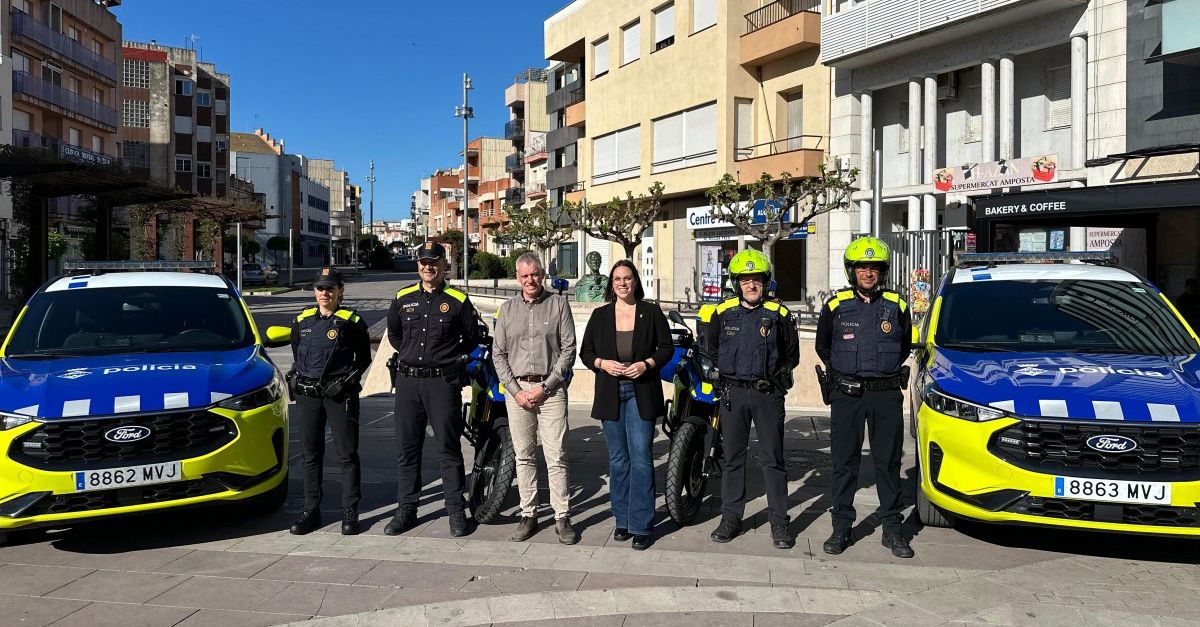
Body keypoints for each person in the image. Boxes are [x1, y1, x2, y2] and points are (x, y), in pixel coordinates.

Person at [815, 236, 914, 559]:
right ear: (851, 271)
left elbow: (903, 348)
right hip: (847, 396)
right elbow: (823, 346)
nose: (868, 273)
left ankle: (892, 529)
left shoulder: (897, 305)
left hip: (885, 396)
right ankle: (841, 527)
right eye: (862, 268)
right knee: (845, 464)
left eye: (874, 268)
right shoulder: (835, 305)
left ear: (882, 272)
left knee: (888, 463)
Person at [700, 249, 799, 550]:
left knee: (773, 459)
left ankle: (780, 523)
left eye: (756, 280)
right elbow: (712, 348)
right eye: (745, 280)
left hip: (767, 395)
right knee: (732, 458)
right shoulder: (723, 312)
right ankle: (731, 517)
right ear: (736, 283)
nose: (751, 285)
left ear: (765, 282)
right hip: (733, 393)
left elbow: (791, 354)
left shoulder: (779, 315)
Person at [385, 241, 480, 537]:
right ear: (418, 265)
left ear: (444, 264)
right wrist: (414, 357)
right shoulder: (402, 298)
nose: (429, 266)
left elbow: (472, 337)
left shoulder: (458, 300)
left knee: (449, 449)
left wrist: (447, 359)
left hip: (443, 382)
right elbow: (395, 335)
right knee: (407, 448)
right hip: (409, 382)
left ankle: (455, 510)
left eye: (435, 261)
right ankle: (407, 509)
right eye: (424, 261)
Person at [580, 260, 673, 551]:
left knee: (642, 458)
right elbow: (586, 353)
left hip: (640, 391)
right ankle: (622, 519)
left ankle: (642, 524)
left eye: (627, 278)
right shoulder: (600, 315)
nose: (622, 283)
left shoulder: (651, 312)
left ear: (635, 281)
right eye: (617, 279)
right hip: (610, 392)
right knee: (619, 460)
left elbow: (667, 348)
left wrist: (646, 364)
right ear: (612, 284)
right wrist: (601, 363)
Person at [491, 252, 579, 544]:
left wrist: (546, 386)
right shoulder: (507, 310)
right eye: (525, 275)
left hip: (550, 390)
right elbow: (498, 355)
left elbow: (568, 351)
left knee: (556, 456)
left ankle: (562, 516)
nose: (530, 280)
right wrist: (516, 391)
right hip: (517, 393)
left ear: (542, 274)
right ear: (518, 278)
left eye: (535, 274)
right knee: (524, 456)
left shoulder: (558, 305)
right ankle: (528, 514)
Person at [287, 267, 372, 536]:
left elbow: (364, 359)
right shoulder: (301, 320)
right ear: (314, 291)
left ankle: (350, 513)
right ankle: (311, 511)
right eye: (321, 288)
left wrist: (346, 381)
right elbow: (296, 351)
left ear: (340, 291)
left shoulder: (351, 320)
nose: (325, 293)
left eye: (331, 288)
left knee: (347, 455)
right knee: (311, 455)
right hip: (309, 396)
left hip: (339, 396)